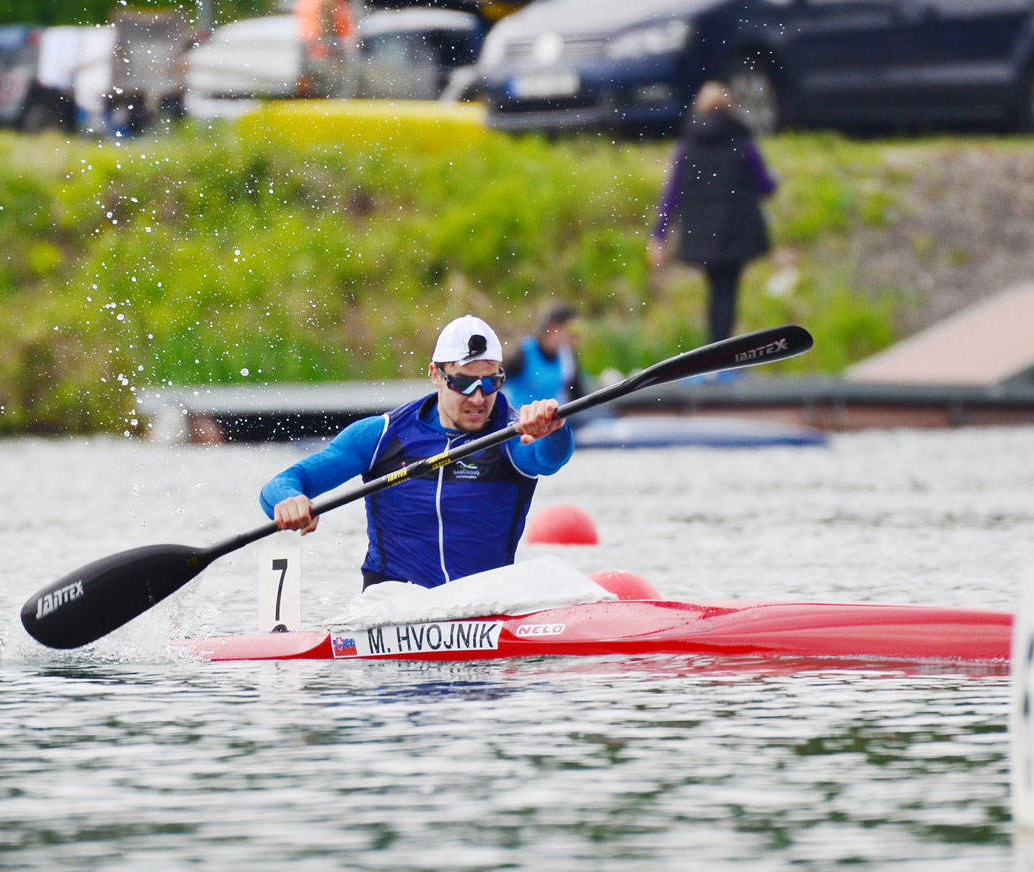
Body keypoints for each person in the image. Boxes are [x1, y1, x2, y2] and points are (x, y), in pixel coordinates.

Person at [260, 315, 573, 589]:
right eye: (464, 383)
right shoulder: (382, 435)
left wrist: (554, 429)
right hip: (391, 609)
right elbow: (287, 481)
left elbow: (550, 458)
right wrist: (287, 500)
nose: (479, 398)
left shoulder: (510, 434)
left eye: (490, 383)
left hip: (483, 606)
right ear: (436, 374)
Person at [650, 81, 777, 344]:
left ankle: (714, 349)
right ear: (730, 108)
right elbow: (764, 185)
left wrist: (658, 235)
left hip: (703, 235)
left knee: (714, 291)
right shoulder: (742, 141)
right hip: (736, 232)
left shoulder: (688, 146)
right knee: (728, 292)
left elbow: (671, 194)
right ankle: (723, 351)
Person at [503, 302, 583, 408]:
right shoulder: (522, 353)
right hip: (520, 419)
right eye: (573, 328)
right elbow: (495, 384)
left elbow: (578, 395)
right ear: (553, 327)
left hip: (554, 420)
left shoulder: (567, 356)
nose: (576, 334)